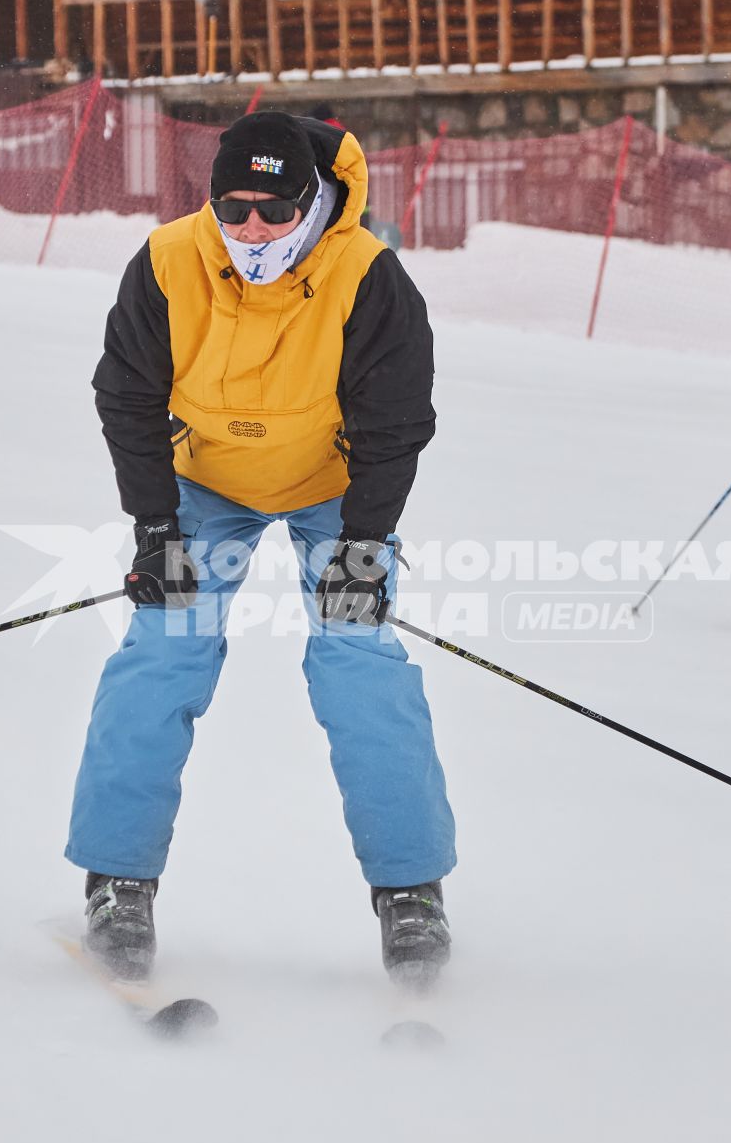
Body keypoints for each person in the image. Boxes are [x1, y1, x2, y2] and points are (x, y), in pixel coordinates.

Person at [69, 111, 455, 990]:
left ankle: (410, 890)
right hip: (204, 478)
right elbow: (126, 396)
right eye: (232, 206)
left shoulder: (368, 275)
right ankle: (118, 877)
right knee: (163, 649)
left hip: (334, 482)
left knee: (360, 661)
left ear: (312, 204)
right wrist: (156, 529)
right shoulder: (170, 260)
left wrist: (362, 549)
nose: (250, 228)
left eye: (274, 211)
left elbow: (397, 420)